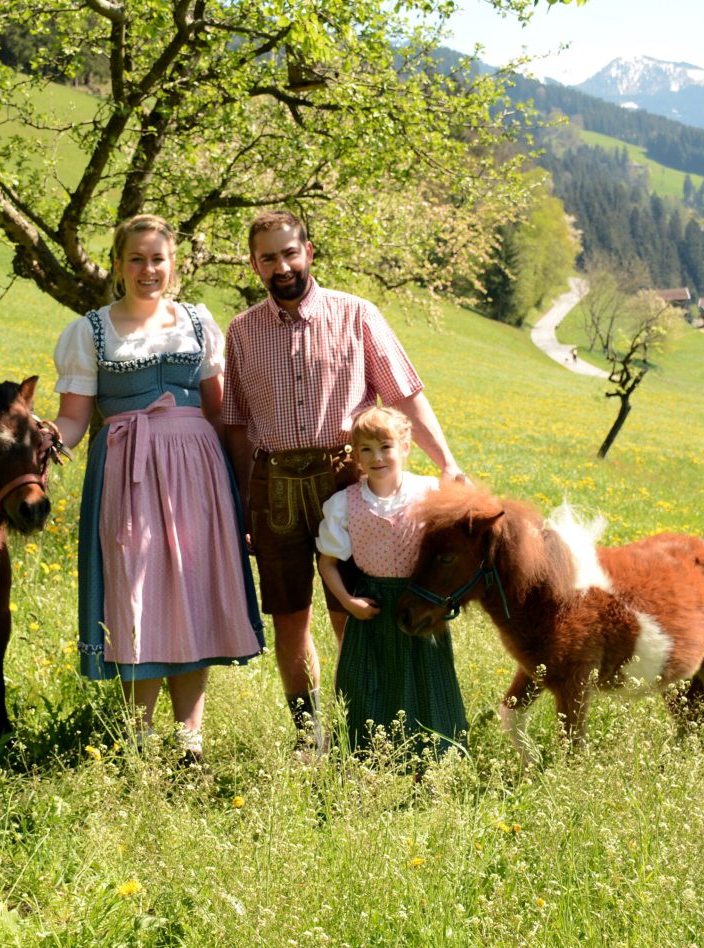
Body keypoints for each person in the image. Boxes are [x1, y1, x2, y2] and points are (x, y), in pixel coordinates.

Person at [223, 210, 466, 754]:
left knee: (355, 612)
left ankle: (367, 729)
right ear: (254, 263)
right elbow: (236, 427)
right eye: (268, 257)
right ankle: (311, 739)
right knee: (291, 618)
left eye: (289, 252)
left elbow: (402, 393)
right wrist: (241, 503)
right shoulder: (240, 332)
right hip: (275, 485)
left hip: (348, 476)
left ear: (308, 250)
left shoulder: (357, 315)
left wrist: (446, 462)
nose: (281, 266)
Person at [46, 214, 264, 766]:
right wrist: (49, 439)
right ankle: (138, 744)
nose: (148, 270)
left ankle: (190, 742)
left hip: (199, 473)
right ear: (118, 265)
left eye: (158, 259)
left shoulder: (196, 321)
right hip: (128, 472)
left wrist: (238, 490)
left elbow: (217, 412)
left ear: (174, 265)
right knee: (136, 594)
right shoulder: (90, 331)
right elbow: (74, 418)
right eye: (136, 259)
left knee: (193, 593)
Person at [317, 407, 467, 758]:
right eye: (365, 449)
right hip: (373, 604)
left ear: (405, 447)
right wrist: (348, 602)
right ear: (356, 456)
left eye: (385, 446)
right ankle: (365, 760)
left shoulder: (429, 492)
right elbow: (327, 564)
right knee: (369, 680)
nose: (377, 457)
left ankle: (433, 760)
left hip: (420, 603)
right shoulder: (344, 504)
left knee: (426, 678)